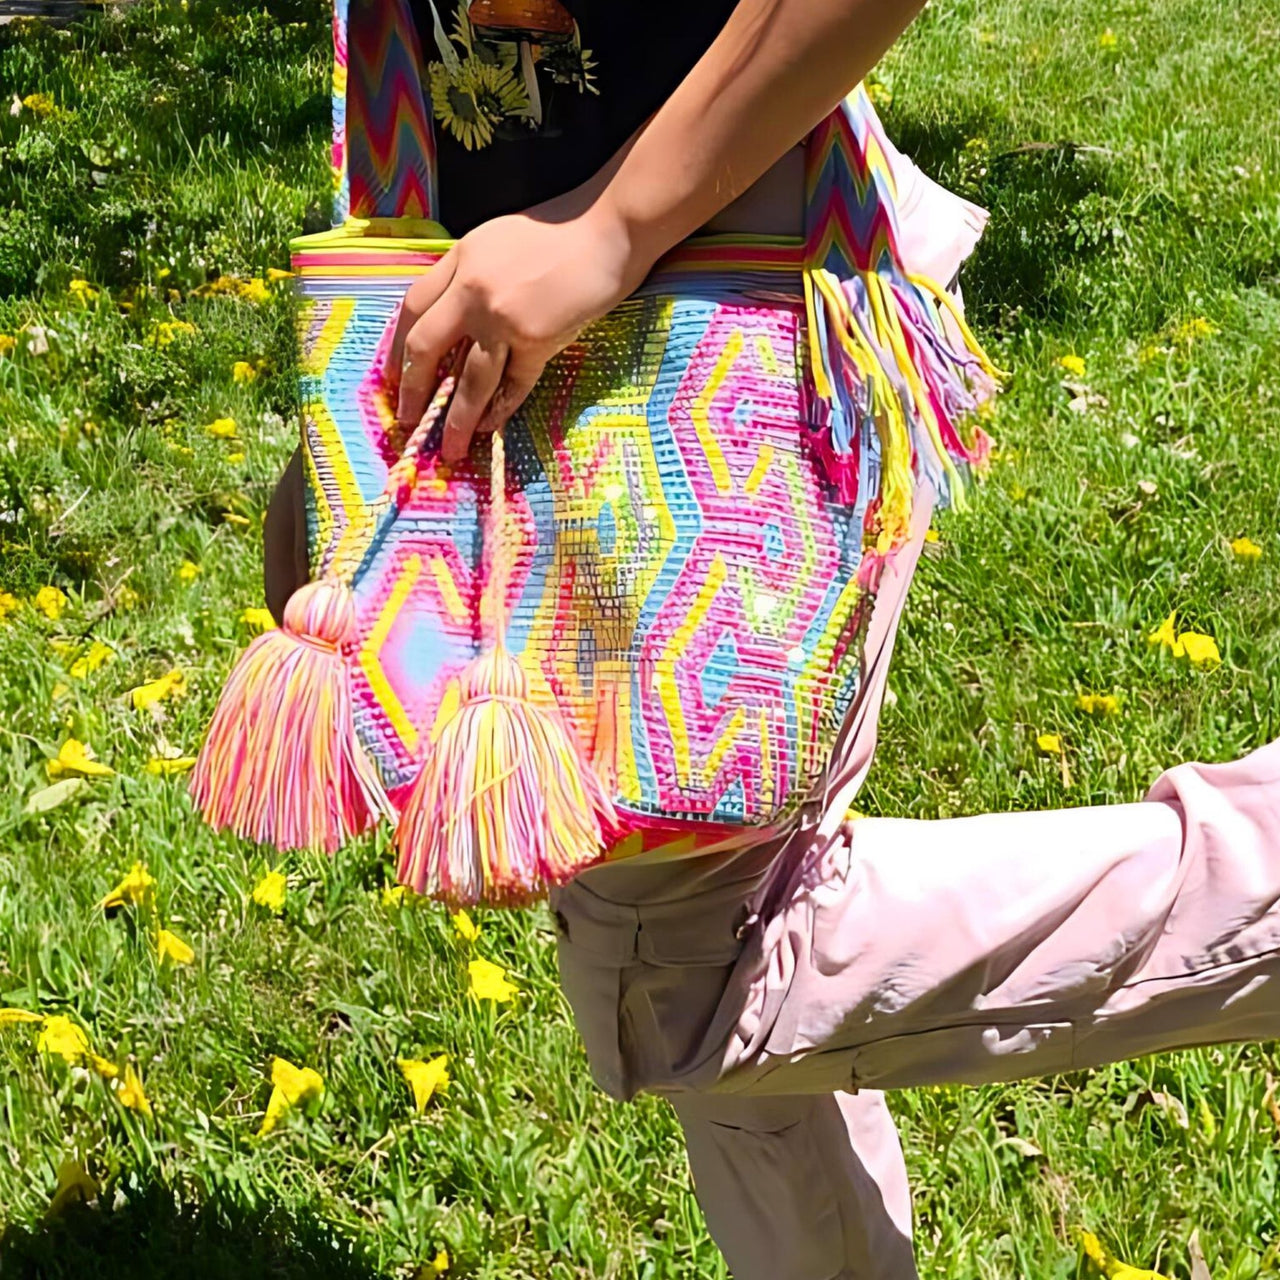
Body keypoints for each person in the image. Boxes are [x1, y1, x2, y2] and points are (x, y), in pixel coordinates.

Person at [265, 2, 1280, 1276]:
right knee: (686, 911)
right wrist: (366, 387)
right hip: (515, 326)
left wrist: (608, 225)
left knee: (687, 968)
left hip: (736, 287)